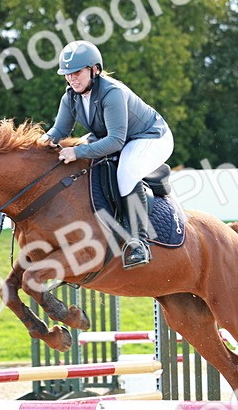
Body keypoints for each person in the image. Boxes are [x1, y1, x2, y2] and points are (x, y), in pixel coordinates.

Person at [42, 40, 174, 268]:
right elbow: (60, 131)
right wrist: (37, 145)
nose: (72, 78)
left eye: (77, 72)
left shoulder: (112, 93)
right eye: (67, 74)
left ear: (95, 70)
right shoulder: (70, 97)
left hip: (149, 137)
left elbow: (115, 141)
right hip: (116, 137)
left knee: (126, 171)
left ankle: (138, 242)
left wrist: (78, 151)